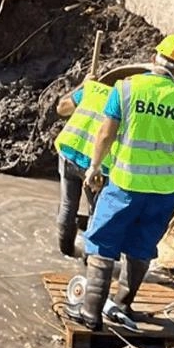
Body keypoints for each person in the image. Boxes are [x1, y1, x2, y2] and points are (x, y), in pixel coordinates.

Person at [66, 35, 174, 333]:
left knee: (102, 242)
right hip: (164, 192)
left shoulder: (125, 89)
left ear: (155, 58)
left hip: (125, 185)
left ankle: (90, 313)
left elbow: (105, 134)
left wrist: (94, 167)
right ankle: (124, 303)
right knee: (141, 247)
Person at [51, 73, 115, 259]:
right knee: (96, 211)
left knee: (67, 205)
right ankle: (89, 258)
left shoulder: (92, 89)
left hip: (69, 151)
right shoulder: (125, 99)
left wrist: (83, 85)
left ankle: (66, 252)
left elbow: (62, 108)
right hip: (96, 163)